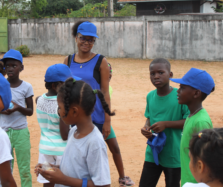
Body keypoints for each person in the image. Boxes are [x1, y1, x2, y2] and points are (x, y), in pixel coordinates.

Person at [64, 21, 134, 187]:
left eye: (91, 40)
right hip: (76, 116)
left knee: (102, 150)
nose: (86, 43)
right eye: (83, 38)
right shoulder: (67, 60)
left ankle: (114, 179)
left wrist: (107, 120)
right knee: (79, 154)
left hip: (96, 115)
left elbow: (104, 92)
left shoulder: (100, 61)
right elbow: (65, 89)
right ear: (76, 38)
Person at [35, 78, 114, 187]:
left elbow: (103, 185)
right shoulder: (73, 132)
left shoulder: (94, 143)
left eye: (60, 107)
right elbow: (75, 170)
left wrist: (64, 180)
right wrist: (53, 169)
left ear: (74, 111)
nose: (58, 112)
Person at [139, 58, 190, 187]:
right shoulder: (150, 96)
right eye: (152, 73)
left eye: (161, 72)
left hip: (173, 154)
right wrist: (146, 127)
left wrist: (166, 124)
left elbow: (188, 121)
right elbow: (149, 117)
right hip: (153, 152)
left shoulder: (179, 96)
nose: (156, 76)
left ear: (170, 75)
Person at [35, 64, 80, 187]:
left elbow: (39, 99)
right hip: (61, 150)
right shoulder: (62, 105)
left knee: (47, 180)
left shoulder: (39, 100)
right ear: (55, 86)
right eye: (66, 84)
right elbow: (65, 135)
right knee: (64, 182)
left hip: (45, 149)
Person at [170, 68, 215, 186]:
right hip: (187, 180)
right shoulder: (191, 115)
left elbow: (207, 158)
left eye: (182, 88)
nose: (178, 91)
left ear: (196, 93)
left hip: (196, 182)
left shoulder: (201, 121)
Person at [0, 49, 34, 187]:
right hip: (3, 132)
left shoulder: (26, 87)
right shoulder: (1, 85)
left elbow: (30, 111)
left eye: (14, 66)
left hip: (21, 132)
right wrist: (3, 110)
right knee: (6, 168)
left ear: (21, 68)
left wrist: (18, 108)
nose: (10, 69)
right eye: (7, 66)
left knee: (24, 169)